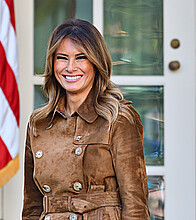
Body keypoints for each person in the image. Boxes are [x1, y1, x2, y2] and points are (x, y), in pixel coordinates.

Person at [22, 19, 150, 220]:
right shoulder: (39, 123)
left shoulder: (118, 118)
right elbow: (32, 206)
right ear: (52, 63)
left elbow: (135, 206)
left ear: (96, 62)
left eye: (81, 58)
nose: (70, 67)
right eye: (62, 58)